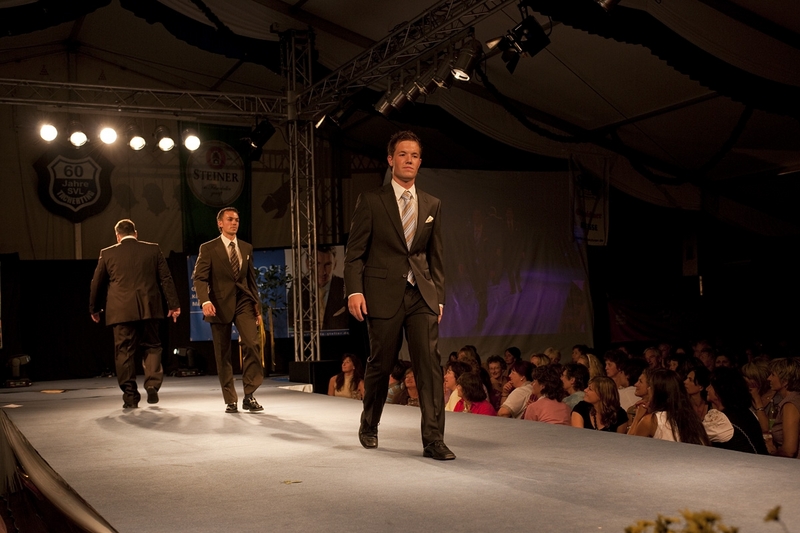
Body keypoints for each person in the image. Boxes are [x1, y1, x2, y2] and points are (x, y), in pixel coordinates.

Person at [344, 130, 453, 460]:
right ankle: (369, 424)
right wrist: (354, 290)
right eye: (403, 154)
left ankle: (433, 439)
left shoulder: (432, 203)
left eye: (415, 155)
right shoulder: (371, 200)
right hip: (382, 293)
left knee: (429, 366)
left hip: (421, 294)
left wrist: (439, 297)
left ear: (420, 162)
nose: (409, 160)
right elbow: (354, 253)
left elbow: (436, 256)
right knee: (381, 364)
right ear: (391, 159)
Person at [89, 219, 180, 409]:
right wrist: (173, 305)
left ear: (117, 235)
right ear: (135, 233)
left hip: (121, 311)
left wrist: (94, 308)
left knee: (124, 352)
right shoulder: (153, 249)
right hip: (149, 308)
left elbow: (97, 283)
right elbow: (166, 278)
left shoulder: (107, 253)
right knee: (152, 345)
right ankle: (152, 384)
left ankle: (130, 397)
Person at [192, 207, 264, 414]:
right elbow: (199, 278)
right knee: (222, 353)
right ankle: (230, 399)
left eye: (237, 220)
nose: (234, 223)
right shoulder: (208, 248)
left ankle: (249, 395)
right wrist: (205, 301)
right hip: (219, 304)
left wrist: (257, 308)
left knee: (252, 344)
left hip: (243, 302)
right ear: (220, 223)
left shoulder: (246, 248)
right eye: (230, 219)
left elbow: (251, 280)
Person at [628, 368, 709, 445]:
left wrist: (637, 418)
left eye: (651, 386)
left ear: (658, 392)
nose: (648, 389)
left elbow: (630, 446)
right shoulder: (692, 418)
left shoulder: (650, 421)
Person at [705, 367, 768, 454]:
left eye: (711, 386)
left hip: (746, 461)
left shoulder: (723, 420)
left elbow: (698, 437)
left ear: (720, 390)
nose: (707, 389)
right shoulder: (746, 412)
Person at [765, 358, 800, 458]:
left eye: (773, 375)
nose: (768, 378)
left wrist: (772, 452)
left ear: (785, 381)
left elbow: (789, 450)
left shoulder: (790, 405)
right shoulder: (795, 398)